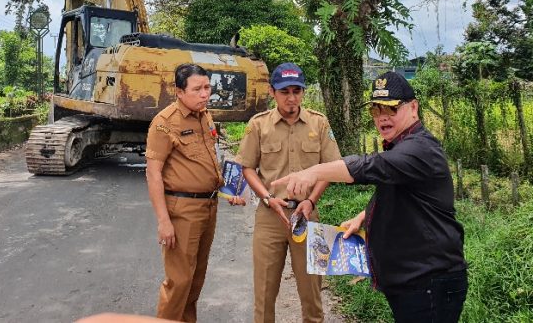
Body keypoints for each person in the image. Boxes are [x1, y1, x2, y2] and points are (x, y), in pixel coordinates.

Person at [273, 71, 468, 323]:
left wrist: (312, 172)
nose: (382, 117)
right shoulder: (401, 146)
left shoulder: (419, 149)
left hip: (428, 281)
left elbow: (369, 165)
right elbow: (401, 195)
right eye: (376, 110)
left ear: (413, 108)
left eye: (391, 109)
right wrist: (363, 217)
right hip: (412, 280)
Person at [236, 62, 341, 323]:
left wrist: (310, 200)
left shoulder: (319, 123)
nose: (292, 98)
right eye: (285, 92)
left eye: (297, 91)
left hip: (307, 217)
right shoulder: (259, 125)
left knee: (312, 293)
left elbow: (331, 168)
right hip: (270, 217)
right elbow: (247, 167)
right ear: (272, 92)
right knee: (264, 294)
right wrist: (267, 198)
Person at [145, 63, 242, 323]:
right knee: (179, 282)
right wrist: (164, 221)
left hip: (208, 208)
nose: (204, 94)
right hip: (182, 210)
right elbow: (153, 173)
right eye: (197, 89)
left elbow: (208, 162)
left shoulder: (205, 116)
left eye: (207, 87)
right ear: (179, 91)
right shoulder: (165, 123)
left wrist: (226, 190)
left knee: (195, 280)